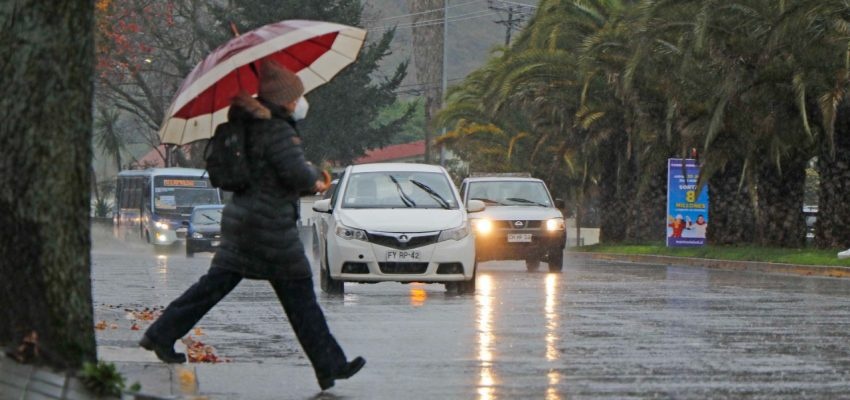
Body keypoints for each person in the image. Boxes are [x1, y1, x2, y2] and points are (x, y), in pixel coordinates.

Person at [139, 60, 364, 391]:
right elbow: (295, 174)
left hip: (243, 220)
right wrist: (317, 180)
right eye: (296, 96)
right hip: (269, 228)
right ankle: (330, 365)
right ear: (284, 99)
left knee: (213, 288)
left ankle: (160, 334)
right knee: (301, 298)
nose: (300, 102)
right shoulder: (276, 129)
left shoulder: (246, 125)